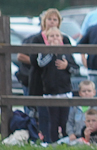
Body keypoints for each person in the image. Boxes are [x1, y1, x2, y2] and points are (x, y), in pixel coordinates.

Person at [19, 8, 73, 139]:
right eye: (49, 19)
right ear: (44, 21)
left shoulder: (64, 39)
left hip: (61, 83)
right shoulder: (36, 39)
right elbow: (32, 60)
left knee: (61, 116)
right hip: (41, 81)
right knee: (44, 113)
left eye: (55, 19)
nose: (52, 22)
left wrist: (66, 65)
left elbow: (71, 59)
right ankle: (45, 139)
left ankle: (61, 139)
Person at [31, 26, 79, 143]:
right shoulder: (44, 52)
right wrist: (51, 52)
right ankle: (53, 143)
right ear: (47, 39)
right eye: (52, 36)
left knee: (64, 120)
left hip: (65, 91)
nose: (55, 38)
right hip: (50, 92)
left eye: (57, 36)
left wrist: (67, 66)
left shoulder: (66, 52)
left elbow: (76, 69)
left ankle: (64, 142)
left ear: (61, 38)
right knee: (53, 120)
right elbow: (41, 64)